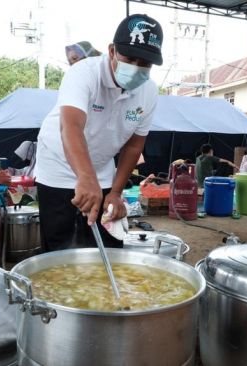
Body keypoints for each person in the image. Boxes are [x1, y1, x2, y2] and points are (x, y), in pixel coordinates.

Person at [35, 14, 164, 252]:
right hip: (57, 166)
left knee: (106, 242)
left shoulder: (148, 92)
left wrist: (116, 192)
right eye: (130, 58)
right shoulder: (83, 73)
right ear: (112, 50)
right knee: (61, 245)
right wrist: (85, 177)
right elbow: (71, 127)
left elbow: (134, 146)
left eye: (145, 63)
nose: (136, 68)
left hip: (102, 170)